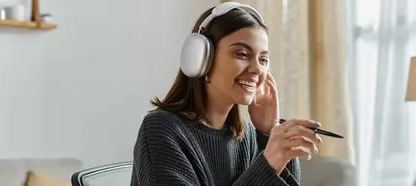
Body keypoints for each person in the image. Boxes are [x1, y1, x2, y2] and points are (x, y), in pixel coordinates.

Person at [130, 2, 322, 186]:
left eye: (263, 59)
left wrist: (268, 134)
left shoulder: (246, 137)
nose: (257, 69)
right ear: (201, 59)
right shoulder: (161, 130)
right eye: (242, 54)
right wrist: (269, 162)